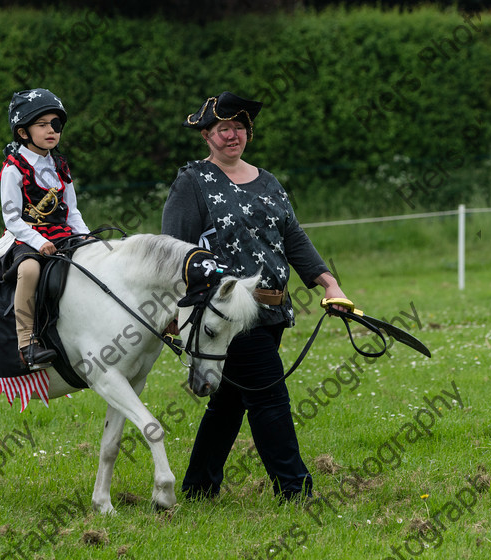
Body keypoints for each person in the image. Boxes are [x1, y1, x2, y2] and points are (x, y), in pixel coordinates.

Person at [161, 91, 347, 501]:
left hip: (273, 310)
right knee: (268, 396)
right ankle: (295, 491)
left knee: (228, 403)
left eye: (239, 127)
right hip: (226, 312)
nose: (232, 135)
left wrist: (329, 285)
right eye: (222, 129)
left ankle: (197, 488)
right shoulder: (192, 181)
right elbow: (173, 249)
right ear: (206, 135)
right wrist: (174, 311)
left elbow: (293, 237)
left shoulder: (267, 180)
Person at [0, 88, 89, 368]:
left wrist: (85, 236)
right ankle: (26, 344)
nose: (52, 130)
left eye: (56, 124)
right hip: (26, 236)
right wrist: (38, 243)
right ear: (24, 132)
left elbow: (71, 210)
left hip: (62, 235)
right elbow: (11, 218)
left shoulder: (60, 165)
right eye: (42, 125)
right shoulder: (14, 168)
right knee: (29, 270)